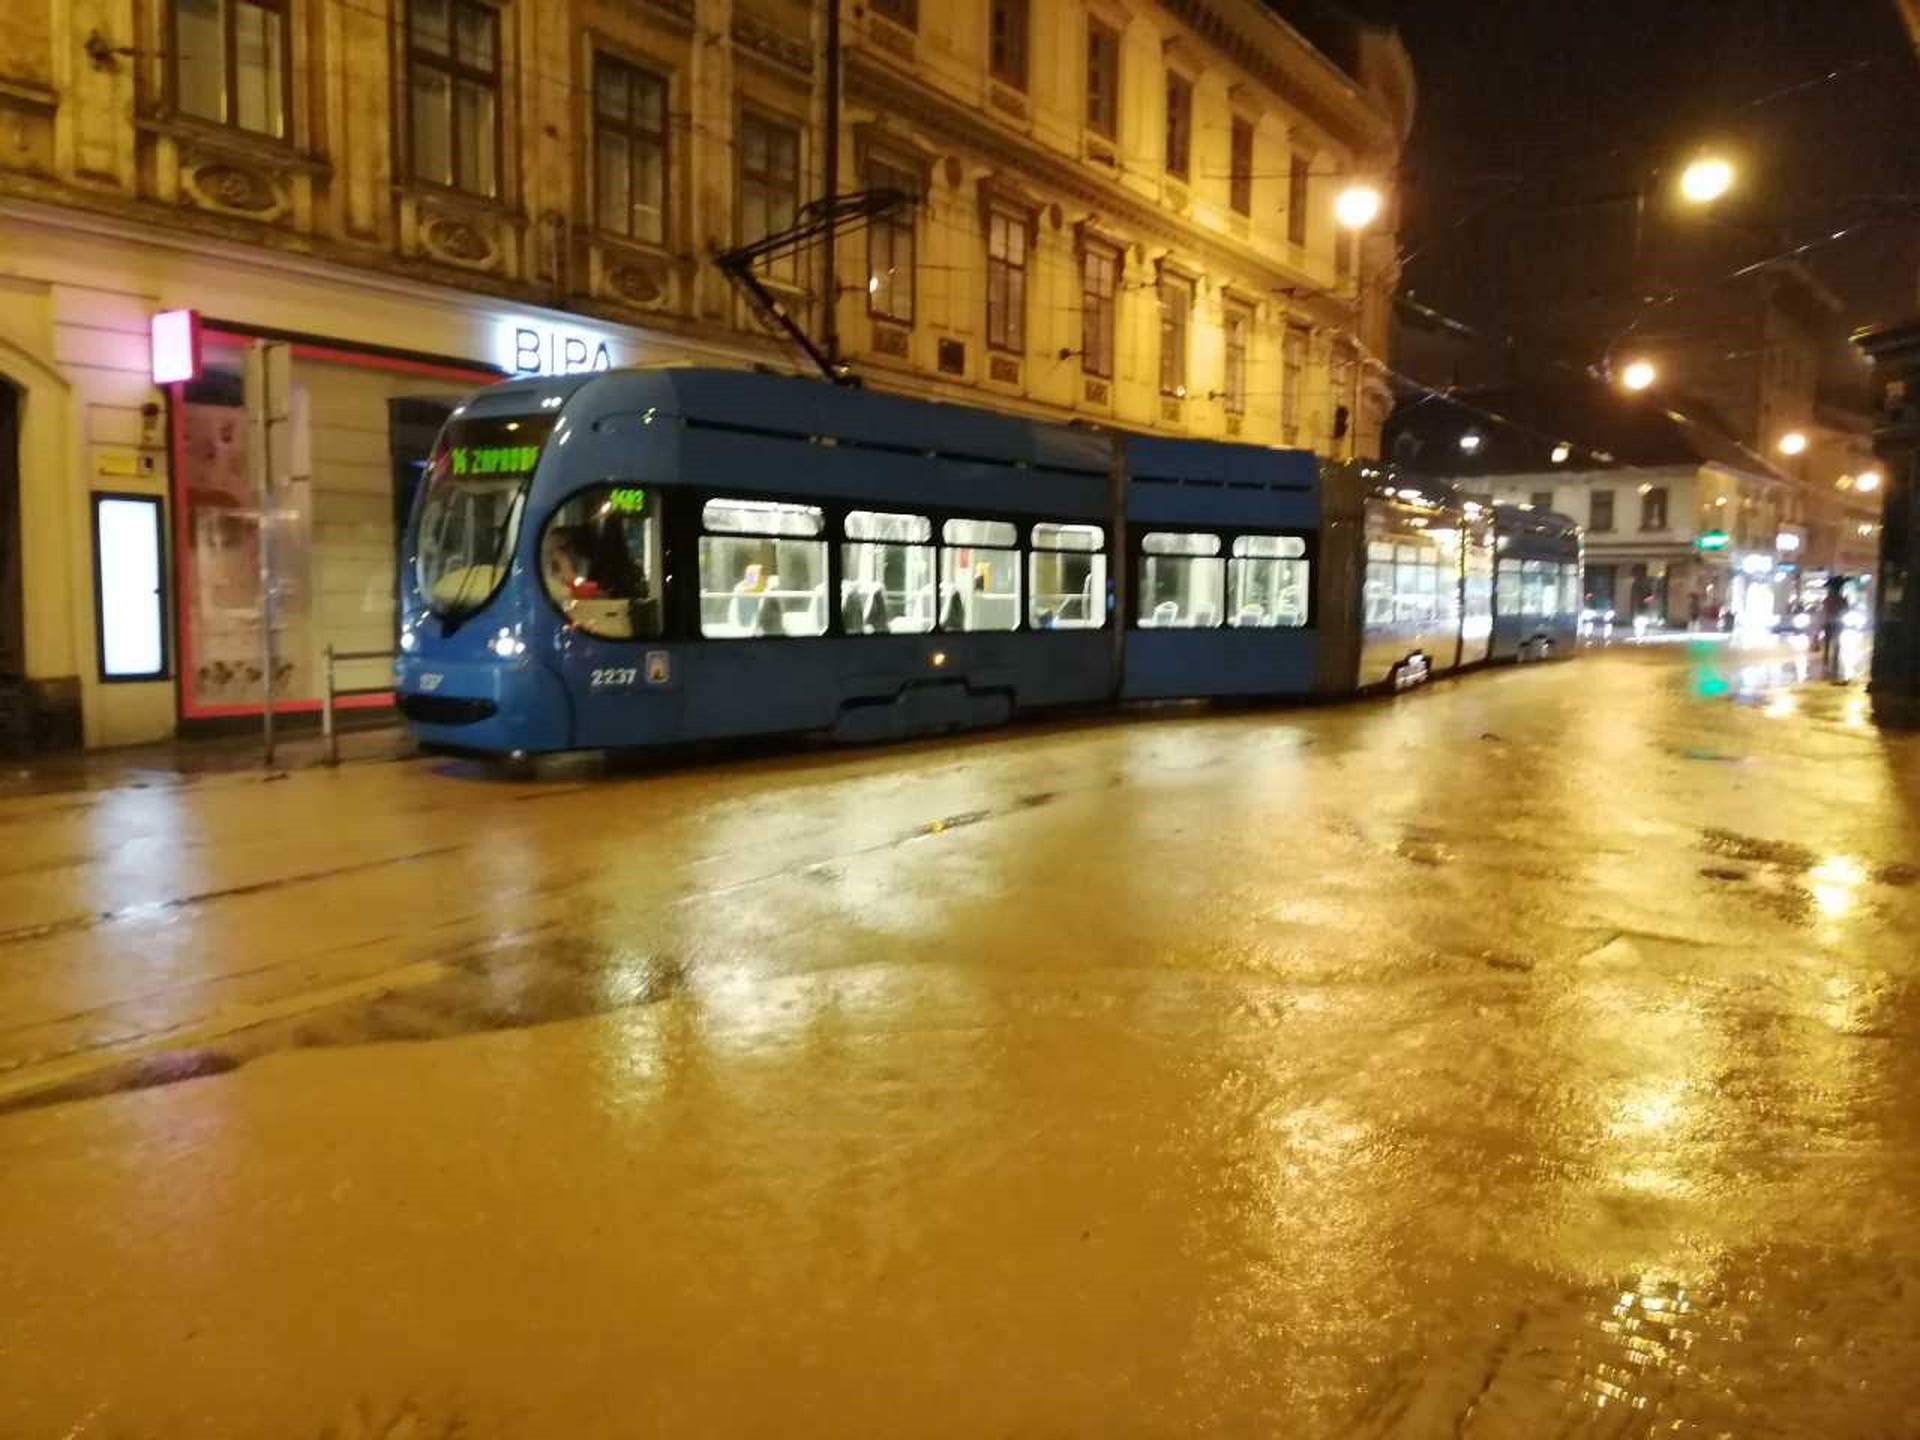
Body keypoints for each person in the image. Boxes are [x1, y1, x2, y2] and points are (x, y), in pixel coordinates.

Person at [1820, 578, 1849, 679]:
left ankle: (1827, 660)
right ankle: (1832, 661)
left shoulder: (1828, 599)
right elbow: (1845, 609)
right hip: (1836, 623)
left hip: (1830, 623)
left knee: (1829, 642)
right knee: (1835, 642)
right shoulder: (1840, 599)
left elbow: (1824, 611)